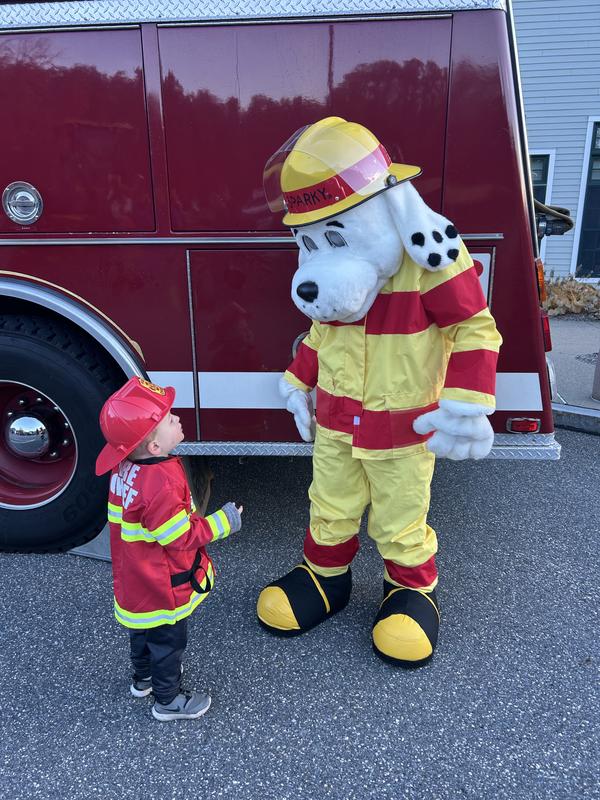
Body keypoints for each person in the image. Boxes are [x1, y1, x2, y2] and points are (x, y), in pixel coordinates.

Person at [95, 376, 243, 722]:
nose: (177, 419)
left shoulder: (124, 468)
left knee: (142, 632)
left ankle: (143, 679)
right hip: (161, 585)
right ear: (154, 447)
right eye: (169, 419)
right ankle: (168, 701)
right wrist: (225, 521)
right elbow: (180, 537)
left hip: (134, 579)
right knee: (168, 642)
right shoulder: (159, 482)